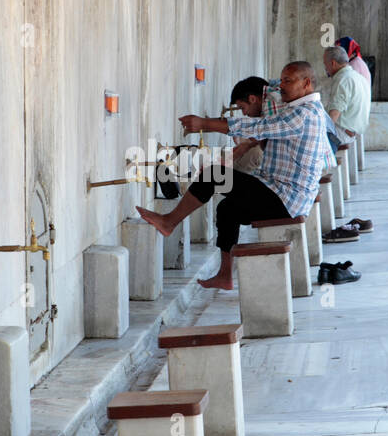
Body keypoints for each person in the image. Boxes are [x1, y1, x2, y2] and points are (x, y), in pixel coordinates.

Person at [136, 60, 330, 291]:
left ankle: (169, 221)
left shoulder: (303, 114)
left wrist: (205, 123)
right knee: (227, 209)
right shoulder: (298, 108)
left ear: (307, 83)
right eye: (282, 80)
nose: (282, 86)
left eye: (288, 81)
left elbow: (259, 128)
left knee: (214, 175)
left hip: (285, 199)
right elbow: (267, 109)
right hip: (279, 192)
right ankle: (225, 275)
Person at [322, 44, 370, 148]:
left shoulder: (342, 80)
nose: (325, 68)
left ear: (333, 63)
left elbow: (333, 116)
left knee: (304, 136)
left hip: (342, 134)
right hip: (354, 132)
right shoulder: (358, 77)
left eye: (325, 64)